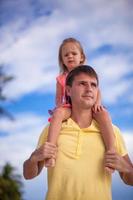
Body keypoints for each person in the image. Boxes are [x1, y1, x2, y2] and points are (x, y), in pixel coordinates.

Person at [23, 65, 133, 200]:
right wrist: (34, 158)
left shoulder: (112, 131)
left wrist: (127, 168)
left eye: (93, 85)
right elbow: (28, 175)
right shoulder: (52, 129)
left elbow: (130, 180)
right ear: (68, 90)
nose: (89, 89)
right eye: (82, 83)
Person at [46, 38, 115, 173]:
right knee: (58, 114)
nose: (70, 56)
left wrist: (98, 104)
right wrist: (59, 106)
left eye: (73, 53)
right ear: (62, 60)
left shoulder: (86, 74)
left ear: (81, 57)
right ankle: (50, 153)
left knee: (104, 114)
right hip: (69, 107)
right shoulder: (61, 78)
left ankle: (112, 155)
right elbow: (58, 96)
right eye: (66, 55)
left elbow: (97, 91)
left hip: (88, 106)